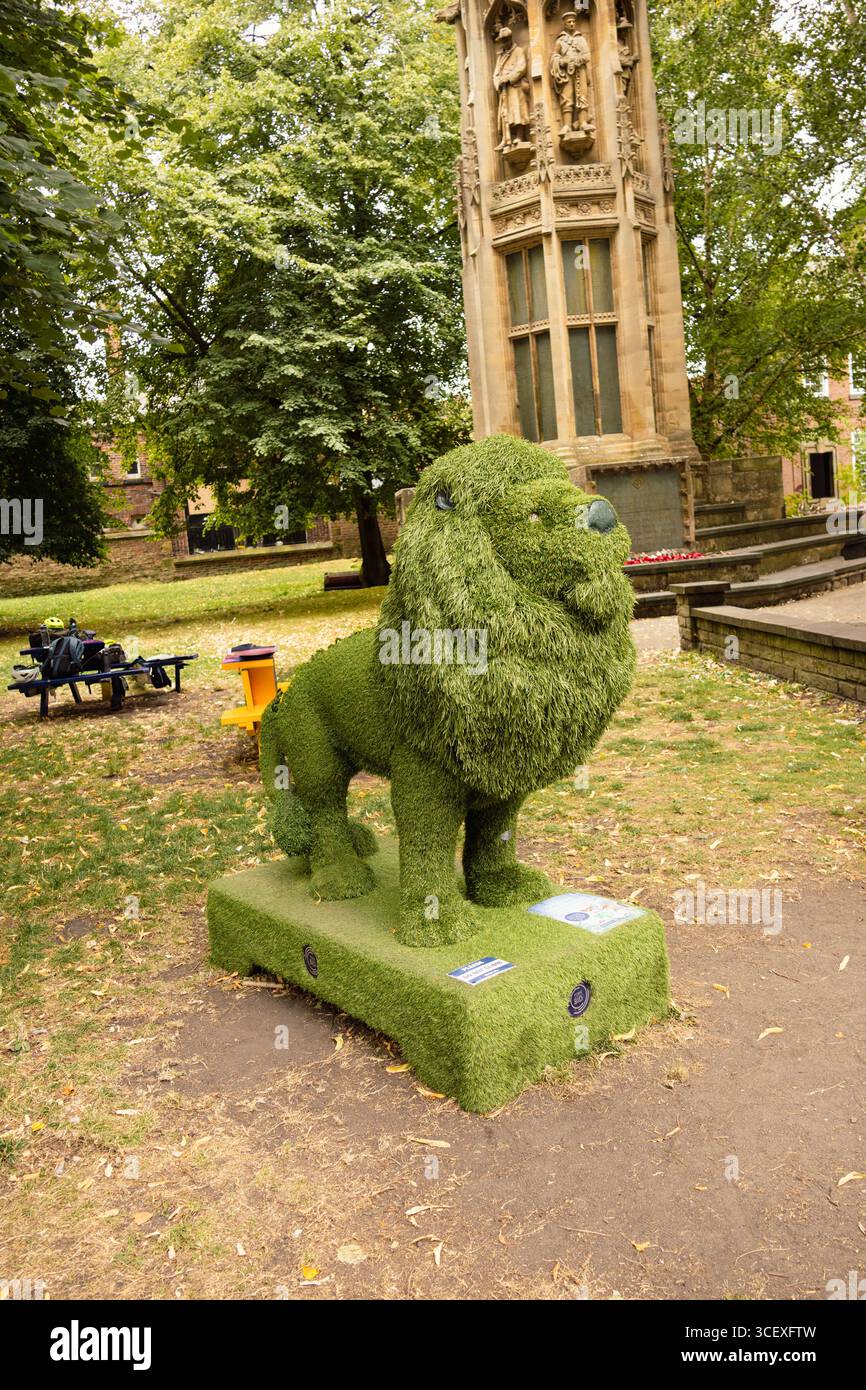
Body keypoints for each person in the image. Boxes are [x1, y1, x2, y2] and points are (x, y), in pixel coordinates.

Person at [493, 27, 530, 152]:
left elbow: (521, 67)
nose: (503, 43)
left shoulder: (518, 51)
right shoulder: (500, 57)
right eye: (502, 41)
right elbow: (496, 73)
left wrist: (508, 78)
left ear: (510, 39)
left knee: (518, 111)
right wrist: (498, 82)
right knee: (505, 113)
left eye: (505, 40)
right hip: (504, 89)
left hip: (515, 87)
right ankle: (505, 139)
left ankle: (520, 136)